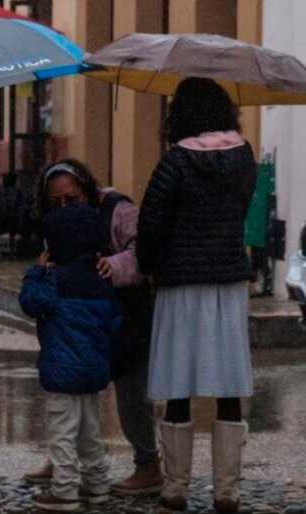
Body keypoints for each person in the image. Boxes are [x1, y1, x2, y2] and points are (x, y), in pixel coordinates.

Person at [137, 77, 257, 513]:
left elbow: (150, 223)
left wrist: (149, 265)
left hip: (181, 283)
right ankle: (227, 489)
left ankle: (176, 487)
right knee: (227, 387)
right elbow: (242, 207)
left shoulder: (175, 162)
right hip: (227, 283)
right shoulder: (244, 156)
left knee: (178, 386)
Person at [24, 159, 163, 495]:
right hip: (80, 318)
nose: (63, 207)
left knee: (131, 394)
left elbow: (144, 250)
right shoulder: (57, 221)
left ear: (87, 190)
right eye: (55, 203)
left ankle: (148, 466)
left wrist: (112, 266)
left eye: (71, 199)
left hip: (126, 311)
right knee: (76, 400)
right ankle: (64, 460)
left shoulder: (117, 209)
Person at [19, 203, 121, 512]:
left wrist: (36, 271)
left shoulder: (55, 278)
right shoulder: (101, 277)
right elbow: (115, 321)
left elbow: (30, 302)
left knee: (62, 432)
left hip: (63, 372)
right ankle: (97, 485)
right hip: (93, 370)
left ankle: (64, 491)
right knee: (89, 431)